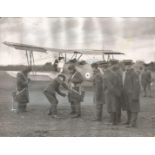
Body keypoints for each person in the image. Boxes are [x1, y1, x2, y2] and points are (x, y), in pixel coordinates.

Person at [122, 62, 141, 128]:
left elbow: (136, 86)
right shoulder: (127, 73)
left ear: (130, 66)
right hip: (127, 95)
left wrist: (135, 96)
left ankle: (133, 124)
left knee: (134, 109)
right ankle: (129, 121)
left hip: (132, 95)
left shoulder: (134, 74)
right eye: (125, 66)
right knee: (128, 108)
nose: (126, 67)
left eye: (127, 66)